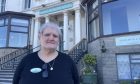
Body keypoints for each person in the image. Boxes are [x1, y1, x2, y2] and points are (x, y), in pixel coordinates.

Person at [13, 22, 80, 84]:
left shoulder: (68, 61)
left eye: (55, 36)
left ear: (58, 40)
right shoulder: (27, 60)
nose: (51, 38)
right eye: (47, 35)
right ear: (40, 37)